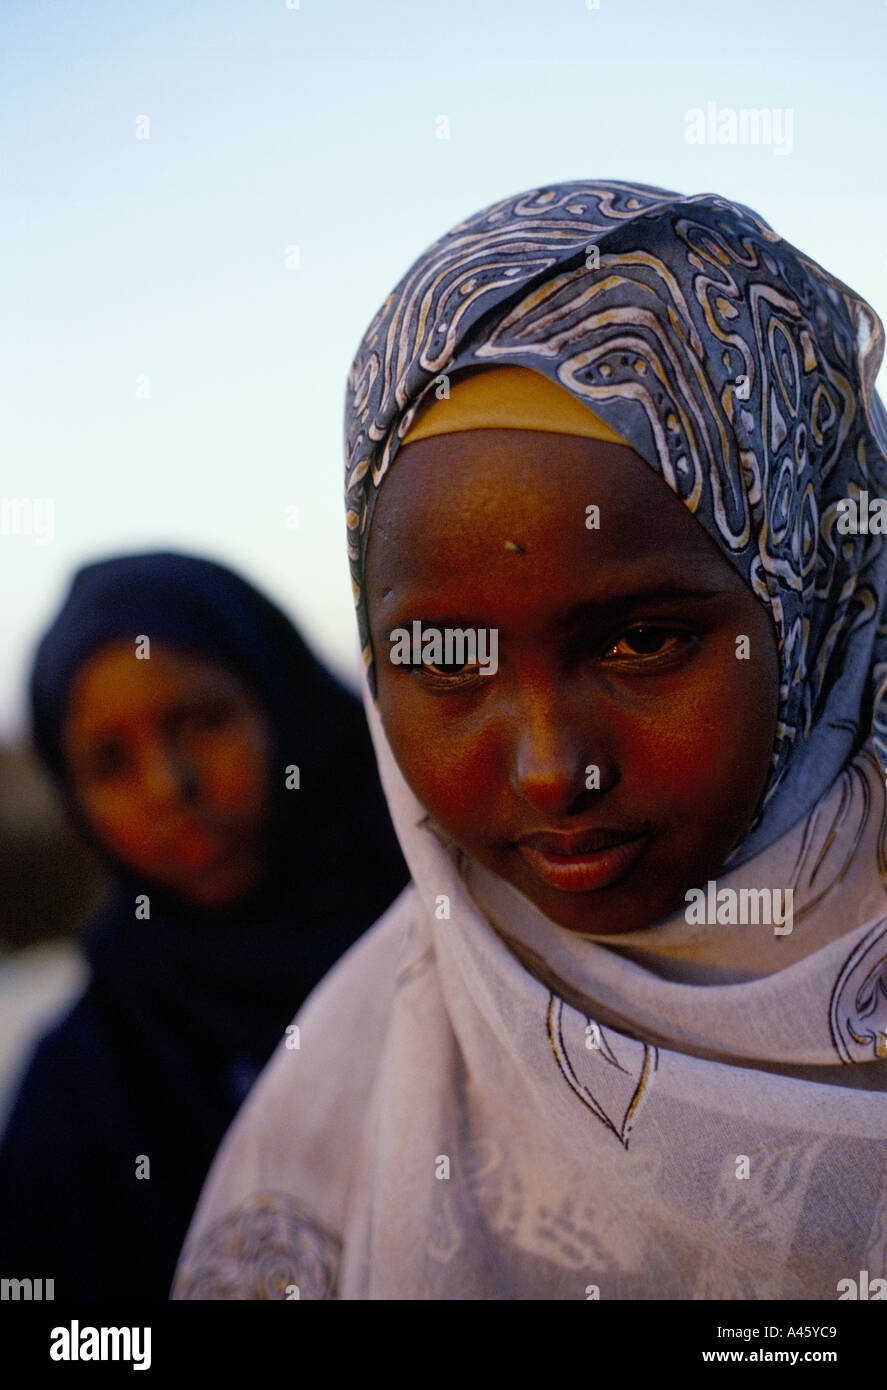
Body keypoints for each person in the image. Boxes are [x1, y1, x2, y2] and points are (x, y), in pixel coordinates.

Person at [172, 181, 887, 1300]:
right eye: (447, 662)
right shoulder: (374, 1057)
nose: (551, 768)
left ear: (813, 608)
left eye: (643, 640)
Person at [0, 550, 407, 1299]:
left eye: (203, 721)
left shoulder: (472, 942)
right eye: (111, 762)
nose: (172, 786)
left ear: (284, 700)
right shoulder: (86, 1082)